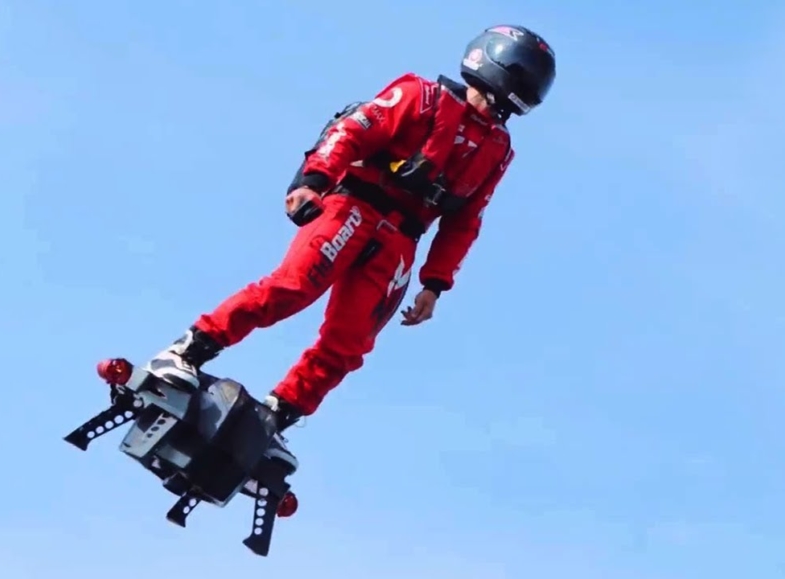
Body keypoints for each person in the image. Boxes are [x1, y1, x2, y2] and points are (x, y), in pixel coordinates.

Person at [143, 24, 557, 431]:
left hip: (400, 241)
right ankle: (187, 352)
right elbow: (353, 131)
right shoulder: (421, 96)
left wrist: (435, 284)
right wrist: (313, 181)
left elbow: (464, 222)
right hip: (353, 206)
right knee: (292, 288)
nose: (498, 107)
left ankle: (277, 415)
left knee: (350, 343)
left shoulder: (498, 151)